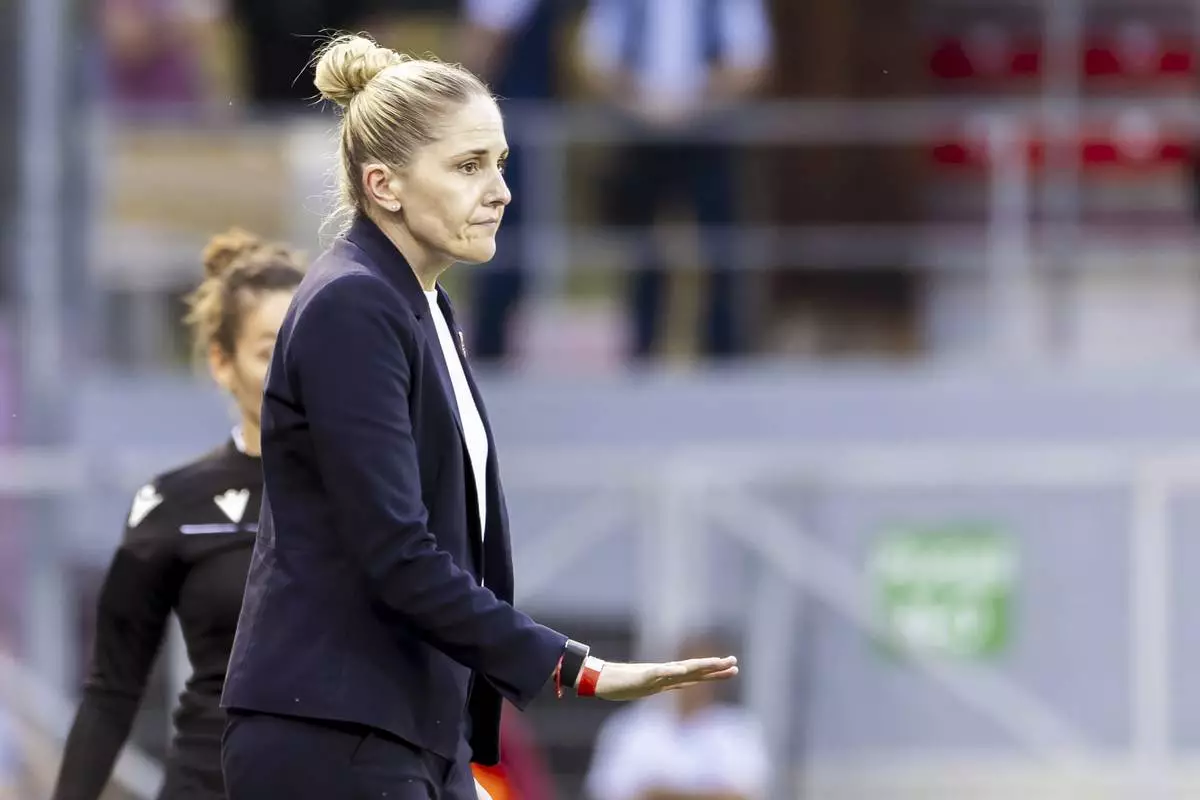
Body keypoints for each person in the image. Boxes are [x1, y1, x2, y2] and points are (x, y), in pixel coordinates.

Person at [219, 33, 739, 800]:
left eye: (498, 163)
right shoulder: (352, 305)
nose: (499, 190)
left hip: (408, 734)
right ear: (383, 184)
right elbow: (395, 550)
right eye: (468, 167)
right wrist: (574, 665)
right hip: (331, 733)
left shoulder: (424, 305)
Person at [51, 229, 306, 800]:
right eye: (269, 352)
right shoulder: (174, 503)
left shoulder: (381, 492)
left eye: (308, 346)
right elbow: (111, 689)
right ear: (222, 361)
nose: (293, 368)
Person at [584, 633, 770, 800]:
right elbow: (608, 790)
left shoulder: (739, 728)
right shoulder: (631, 726)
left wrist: (660, 793)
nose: (696, 680)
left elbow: (744, 792)